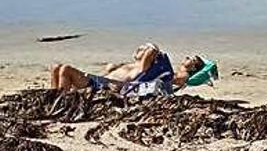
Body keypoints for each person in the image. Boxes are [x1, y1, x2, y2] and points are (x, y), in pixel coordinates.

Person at [50, 44, 205, 93]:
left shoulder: (143, 68)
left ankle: (61, 100)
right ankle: (52, 97)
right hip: (99, 80)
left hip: (100, 85)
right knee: (57, 67)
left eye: (193, 60)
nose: (188, 58)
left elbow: (174, 81)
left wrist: (150, 49)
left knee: (65, 69)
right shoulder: (136, 66)